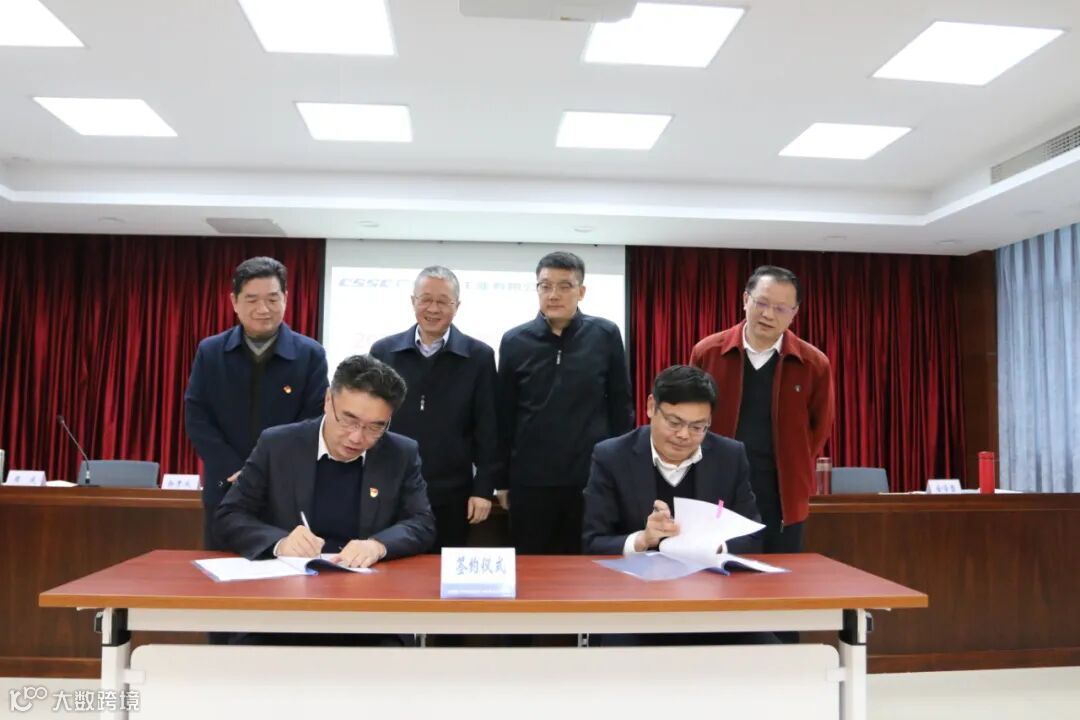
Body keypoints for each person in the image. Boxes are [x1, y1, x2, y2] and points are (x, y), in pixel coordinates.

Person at [216, 354, 435, 646]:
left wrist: (377, 545)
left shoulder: (400, 454)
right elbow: (230, 515)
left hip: (368, 610)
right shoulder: (278, 445)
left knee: (391, 655)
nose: (357, 437)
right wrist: (280, 542)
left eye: (374, 427)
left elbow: (421, 522)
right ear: (328, 400)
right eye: (348, 420)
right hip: (283, 606)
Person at [583, 364, 772, 646]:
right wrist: (642, 540)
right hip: (635, 606)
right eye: (674, 422)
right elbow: (593, 542)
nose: (684, 435)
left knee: (770, 650)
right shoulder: (612, 457)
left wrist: (715, 546)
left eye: (698, 427)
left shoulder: (730, 456)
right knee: (619, 652)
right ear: (651, 407)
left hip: (714, 604)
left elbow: (754, 537)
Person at [185, 256, 327, 550]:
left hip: (285, 488)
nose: (263, 309)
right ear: (234, 302)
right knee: (222, 570)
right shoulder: (211, 352)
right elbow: (197, 417)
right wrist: (237, 470)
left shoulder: (310, 354)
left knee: (287, 569)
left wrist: (267, 470)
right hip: (226, 486)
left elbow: (313, 422)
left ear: (285, 299)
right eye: (252, 299)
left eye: (272, 299)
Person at [690, 265, 834, 554]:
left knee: (782, 575)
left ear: (794, 313)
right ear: (746, 299)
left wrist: (793, 461)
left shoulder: (813, 364)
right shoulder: (708, 352)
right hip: (718, 488)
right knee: (716, 573)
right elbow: (690, 417)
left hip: (782, 493)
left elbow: (819, 428)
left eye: (781, 308)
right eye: (762, 303)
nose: (768, 315)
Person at [497, 251, 633, 555]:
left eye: (564, 286)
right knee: (531, 566)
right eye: (545, 286)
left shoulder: (605, 335)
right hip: (530, 481)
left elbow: (621, 409)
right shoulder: (514, 341)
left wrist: (620, 475)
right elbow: (504, 415)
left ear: (581, 291)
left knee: (585, 566)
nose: (553, 294)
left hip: (589, 478)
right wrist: (502, 480)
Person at [370, 266, 499, 550]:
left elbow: (488, 429)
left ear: (457, 306)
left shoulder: (479, 357)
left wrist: (483, 489)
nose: (433, 308)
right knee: (390, 561)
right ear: (412, 301)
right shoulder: (384, 352)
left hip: (452, 492)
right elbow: (370, 420)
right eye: (425, 299)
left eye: (443, 301)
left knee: (444, 568)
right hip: (391, 486)